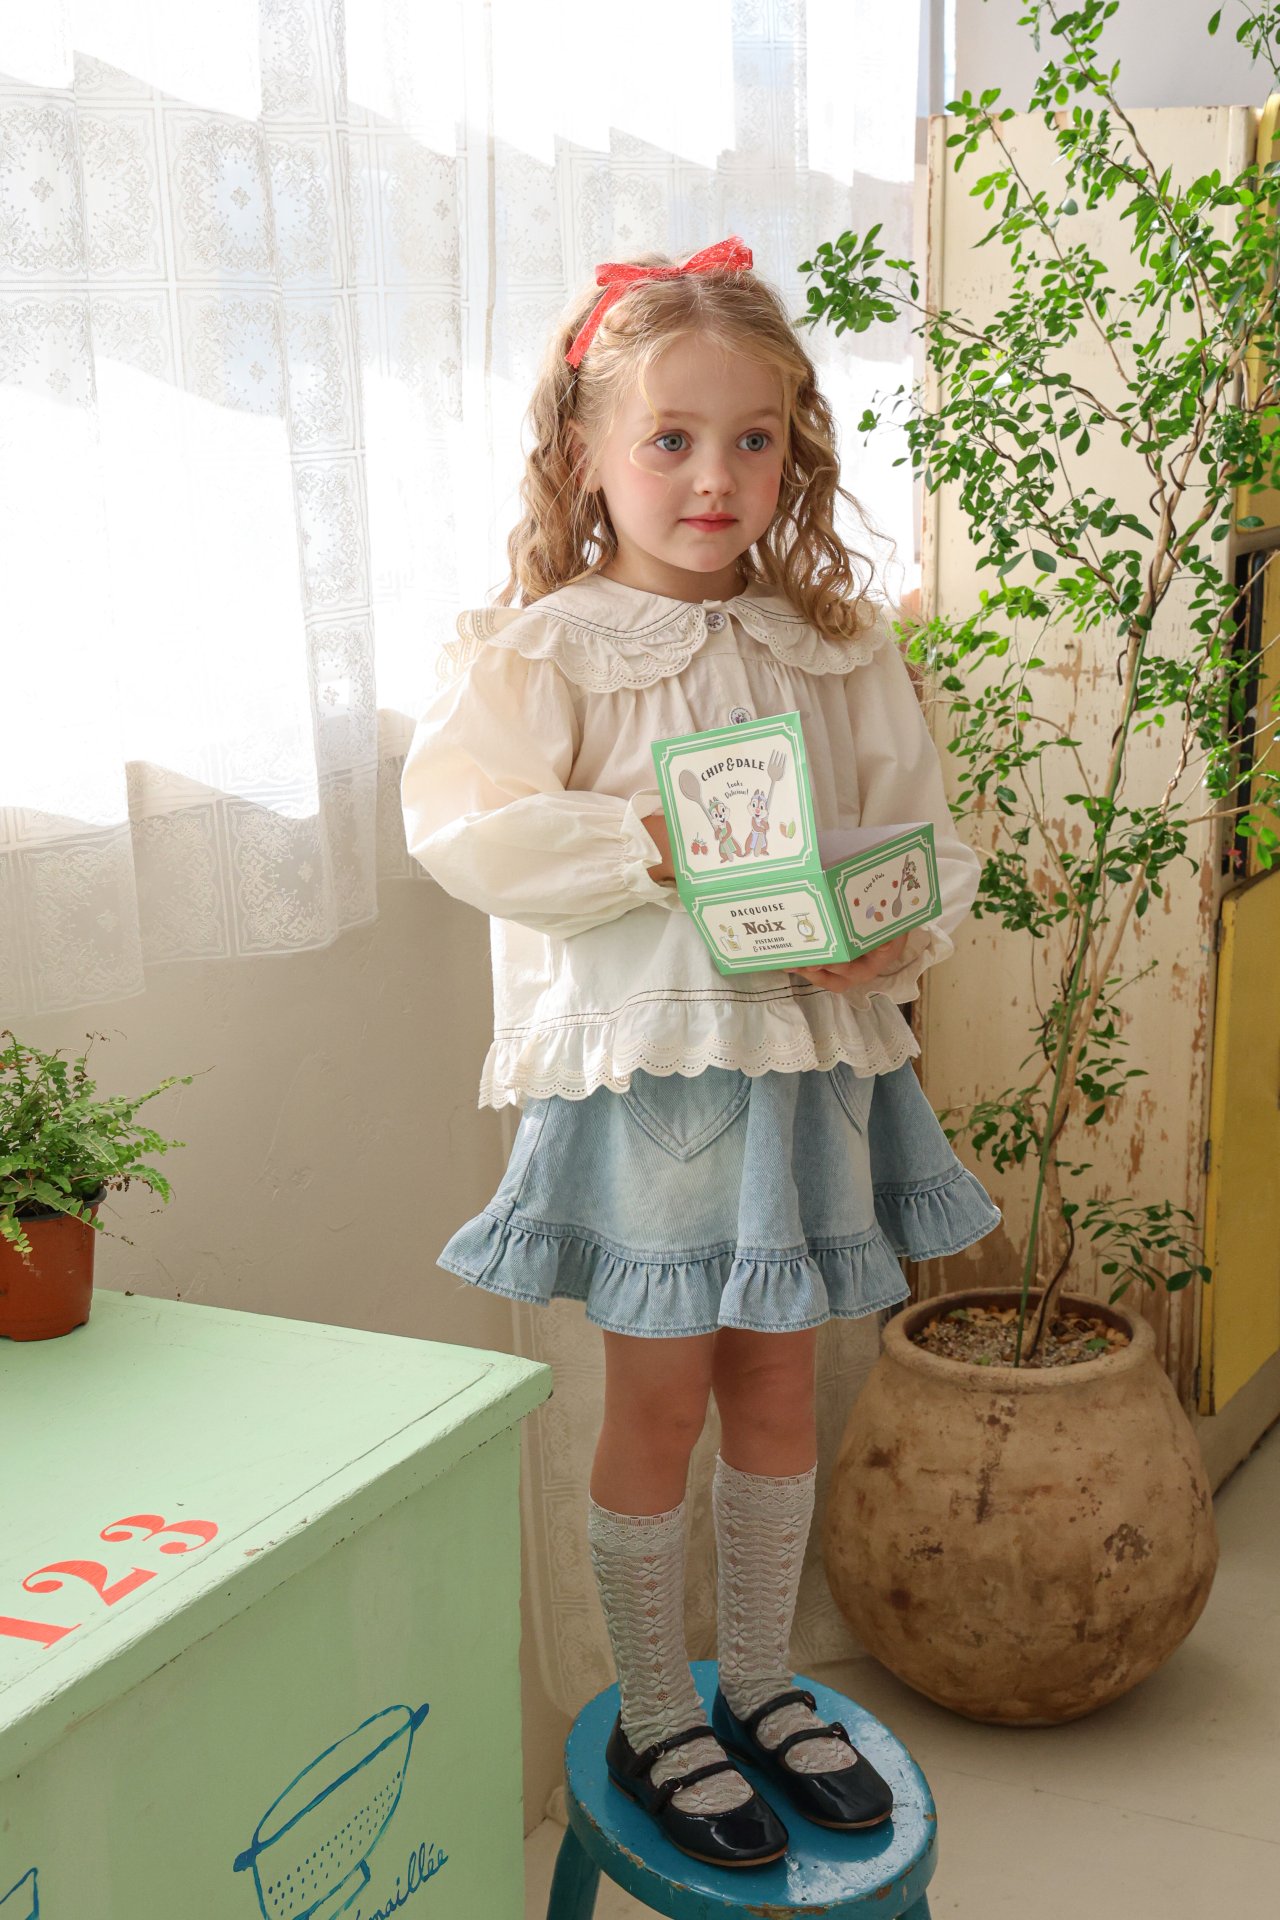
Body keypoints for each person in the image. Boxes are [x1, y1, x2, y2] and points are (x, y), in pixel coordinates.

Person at [401, 236, 1000, 1869]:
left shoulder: (835, 646)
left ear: (795, 452)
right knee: (658, 1398)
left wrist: (894, 931)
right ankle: (660, 1709)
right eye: (670, 439)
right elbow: (463, 826)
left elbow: (924, 836)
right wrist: (640, 844)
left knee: (782, 1382)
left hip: (808, 1073)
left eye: (754, 439)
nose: (715, 478)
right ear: (585, 449)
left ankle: (762, 1682)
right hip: (654, 1083)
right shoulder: (546, 649)